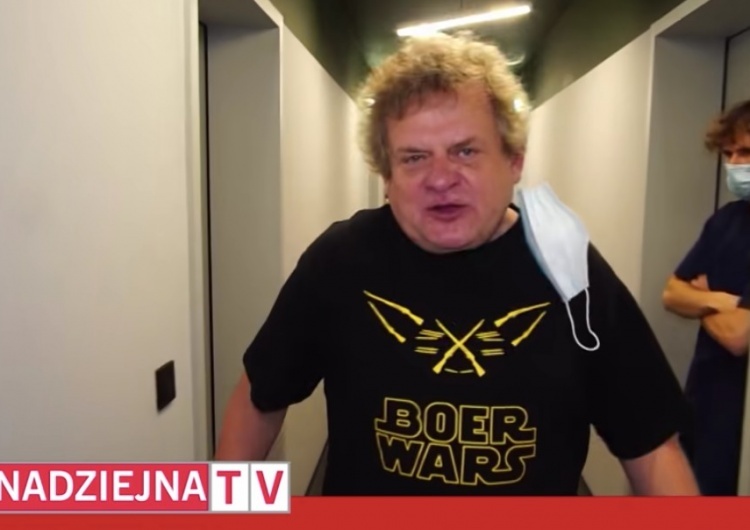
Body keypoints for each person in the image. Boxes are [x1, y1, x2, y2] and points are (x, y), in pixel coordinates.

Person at [216, 31, 698, 496]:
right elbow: (262, 396)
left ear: (514, 161)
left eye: (465, 151)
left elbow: (651, 444)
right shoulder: (341, 260)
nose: (441, 178)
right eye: (414, 158)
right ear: (387, 176)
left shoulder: (569, 269)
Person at [662, 99, 750, 496]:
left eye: (745, 152)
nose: (735, 164)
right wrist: (723, 301)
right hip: (704, 404)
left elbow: (737, 337)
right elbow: (671, 293)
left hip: (740, 422)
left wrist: (700, 297)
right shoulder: (727, 220)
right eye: (729, 154)